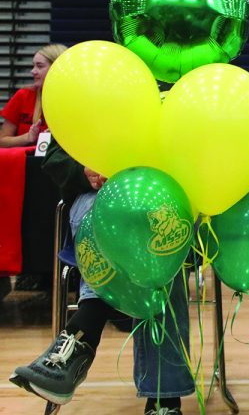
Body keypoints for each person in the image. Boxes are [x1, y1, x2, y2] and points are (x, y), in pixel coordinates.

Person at [9, 140, 194, 414]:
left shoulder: (172, 95)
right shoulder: (78, 98)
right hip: (93, 198)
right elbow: (55, 156)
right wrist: (83, 170)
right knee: (121, 225)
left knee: (155, 240)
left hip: (157, 197)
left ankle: (77, 341)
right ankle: (163, 401)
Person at [0, 43, 67, 148]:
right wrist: (27, 137)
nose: (33, 71)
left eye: (39, 66)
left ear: (56, 67)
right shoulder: (23, 95)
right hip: (25, 161)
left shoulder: (75, 99)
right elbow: (2, 141)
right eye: (33, 65)